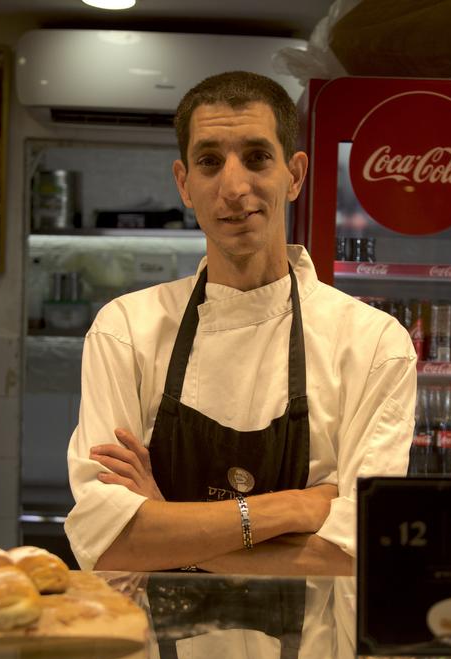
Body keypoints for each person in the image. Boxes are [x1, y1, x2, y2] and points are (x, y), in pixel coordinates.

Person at [65, 70, 416, 577]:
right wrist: (294, 508)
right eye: (209, 161)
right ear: (184, 183)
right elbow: (106, 544)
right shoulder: (125, 329)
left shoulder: (374, 344)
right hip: (155, 653)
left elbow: (354, 559)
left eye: (257, 157)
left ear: (294, 175)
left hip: (310, 655)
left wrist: (164, 523)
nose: (234, 186)